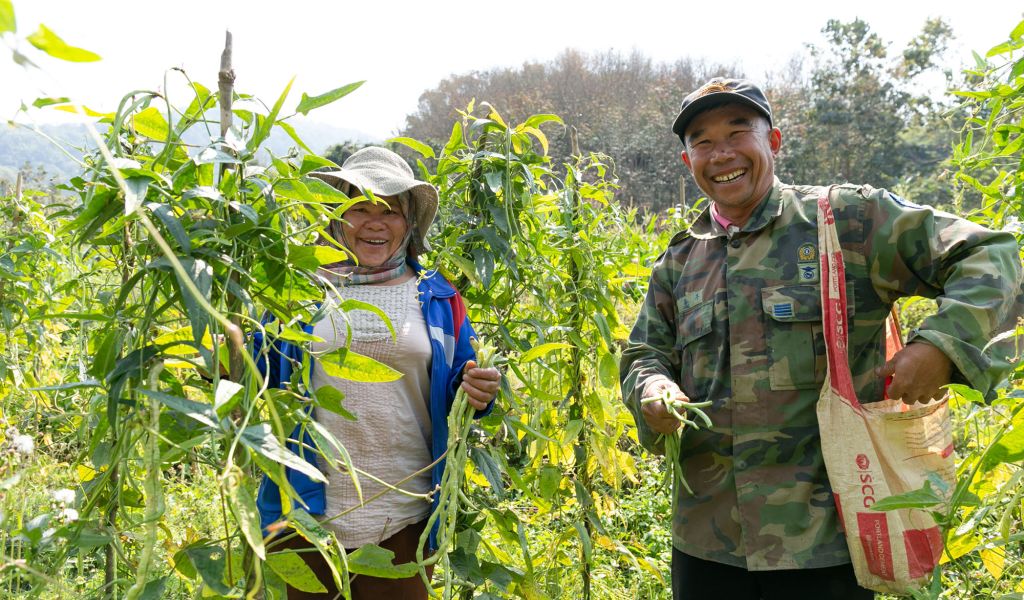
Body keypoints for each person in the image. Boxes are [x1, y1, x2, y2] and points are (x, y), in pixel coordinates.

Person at [620, 77, 1022, 600]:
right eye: (702, 141)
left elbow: (992, 255)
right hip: (707, 542)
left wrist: (940, 345)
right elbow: (644, 354)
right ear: (687, 160)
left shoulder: (846, 221)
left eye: (738, 131)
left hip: (830, 541)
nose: (721, 154)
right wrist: (651, 390)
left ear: (775, 142)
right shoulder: (680, 261)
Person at [254, 146, 501, 599]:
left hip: (403, 507)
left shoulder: (440, 300)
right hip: (307, 508)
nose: (374, 222)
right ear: (335, 219)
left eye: (389, 211)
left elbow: (460, 390)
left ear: (409, 224)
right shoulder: (299, 292)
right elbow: (256, 373)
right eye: (359, 208)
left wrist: (479, 392)